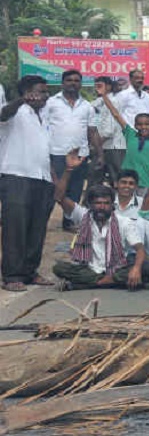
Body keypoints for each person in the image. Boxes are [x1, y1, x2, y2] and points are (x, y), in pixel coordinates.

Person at [52, 150, 146, 291]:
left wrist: (136, 269)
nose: (102, 207)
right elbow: (59, 197)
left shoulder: (124, 222)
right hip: (90, 269)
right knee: (59, 268)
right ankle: (108, 282)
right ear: (90, 204)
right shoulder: (84, 215)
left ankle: (84, 284)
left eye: (106, 203)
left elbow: (140, 249)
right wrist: (68, 170)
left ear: (111, 205)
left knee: (141, 268)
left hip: (117, 267)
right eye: (98, 203)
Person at [0, 76, 55, 291]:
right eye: (41, 91)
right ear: (28, 93)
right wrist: (20, 101)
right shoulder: (15, 111)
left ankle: (30, 271)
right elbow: (3, 114)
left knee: (37, 227)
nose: (46, 95)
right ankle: (12, 275)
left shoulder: (42, 115)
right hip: (16, 176)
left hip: (42, 178)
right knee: (16, 228)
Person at [43, 70, 103, 230]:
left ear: (81, 84)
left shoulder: (87, 106)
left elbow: (92, 131)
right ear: (63, 83)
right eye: (69, 80)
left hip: (80, 157)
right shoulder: (50, 102)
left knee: (75, 191)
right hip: (56, 154)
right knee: (51, 190)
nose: (73, 83)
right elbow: (41, 127)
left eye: (77, 80)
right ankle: (41, 221)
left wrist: (100, 155)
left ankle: (68, 222)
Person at [95, 81, 149, 195]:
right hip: (127, 183)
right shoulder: (130, 134)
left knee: (143, 210)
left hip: (146, 183)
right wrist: (104, 95)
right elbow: (116, 114)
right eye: (140, 124)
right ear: (135, 126)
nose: (143, 127)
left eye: (147, 124)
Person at [91, 76, 127, 187]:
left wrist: (94, 145)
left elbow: (109, 131)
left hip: (114, 147)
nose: (97, 89)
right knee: (95, 180)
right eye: (96, 86)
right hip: (100, 146)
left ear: (109, 87)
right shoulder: (95, 102)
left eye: (100, 86)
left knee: (117, 181)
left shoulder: (113, 101)